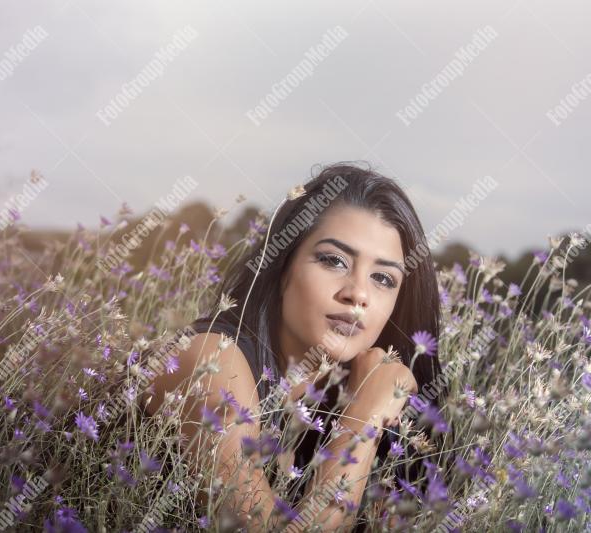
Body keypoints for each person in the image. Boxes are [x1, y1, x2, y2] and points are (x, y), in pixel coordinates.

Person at [144, 161, 445, 531]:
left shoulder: (354, 391)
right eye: (333, 260)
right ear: (282, 266)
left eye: (383, 278)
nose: (358, 294)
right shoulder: (211, 360)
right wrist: (363, 421)